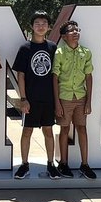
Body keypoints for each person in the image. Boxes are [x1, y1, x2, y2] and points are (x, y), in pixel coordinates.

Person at [12, 11, 60, 180]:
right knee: (27, 132)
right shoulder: (25, 48)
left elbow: (56, 75)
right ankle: (24, 165)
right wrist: (23, 99)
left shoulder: (53, 47)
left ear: (49, 27)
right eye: (37, 23)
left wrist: (57, 101)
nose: (41, 26)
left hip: (48, 99)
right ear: (32, 26)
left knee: (48, 131)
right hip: (30, 99)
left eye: (44, 23)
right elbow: (21, 75)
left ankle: (50, 165)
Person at [52, 20, 95, 179]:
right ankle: (63, 163)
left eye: (77, 30)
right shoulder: (59, 53)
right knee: (64, 129)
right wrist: (57, 103)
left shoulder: (86, 52)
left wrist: (89, 101)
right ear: (63, 37)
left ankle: (85, 164)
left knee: (82, 129)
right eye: (71, 31)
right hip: (64, 97)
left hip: (81, 97)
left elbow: (89, 77)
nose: (75, 32)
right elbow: (55, 78)